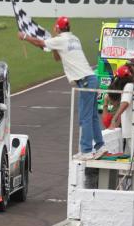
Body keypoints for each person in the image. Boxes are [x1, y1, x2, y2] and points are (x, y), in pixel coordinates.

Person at [18, 16, 107, 160]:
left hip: (84, 81)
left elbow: (40, 42)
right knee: (92, 116)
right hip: (91, 78)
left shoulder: (61, 40)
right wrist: (52, 45)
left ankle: (86, 150)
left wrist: (25, 36)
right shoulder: (74, 38)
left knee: (85, 117)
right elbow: (57, 58)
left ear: (58, 28)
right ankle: (100, 146)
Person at [108, 65, 134, 154]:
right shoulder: (131, 86)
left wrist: (114, 119)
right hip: (132, 133)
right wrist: (116, 123)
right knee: (128, 161)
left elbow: (125, 104)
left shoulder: (129, 86)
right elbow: (126, 109)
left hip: (133, 133)